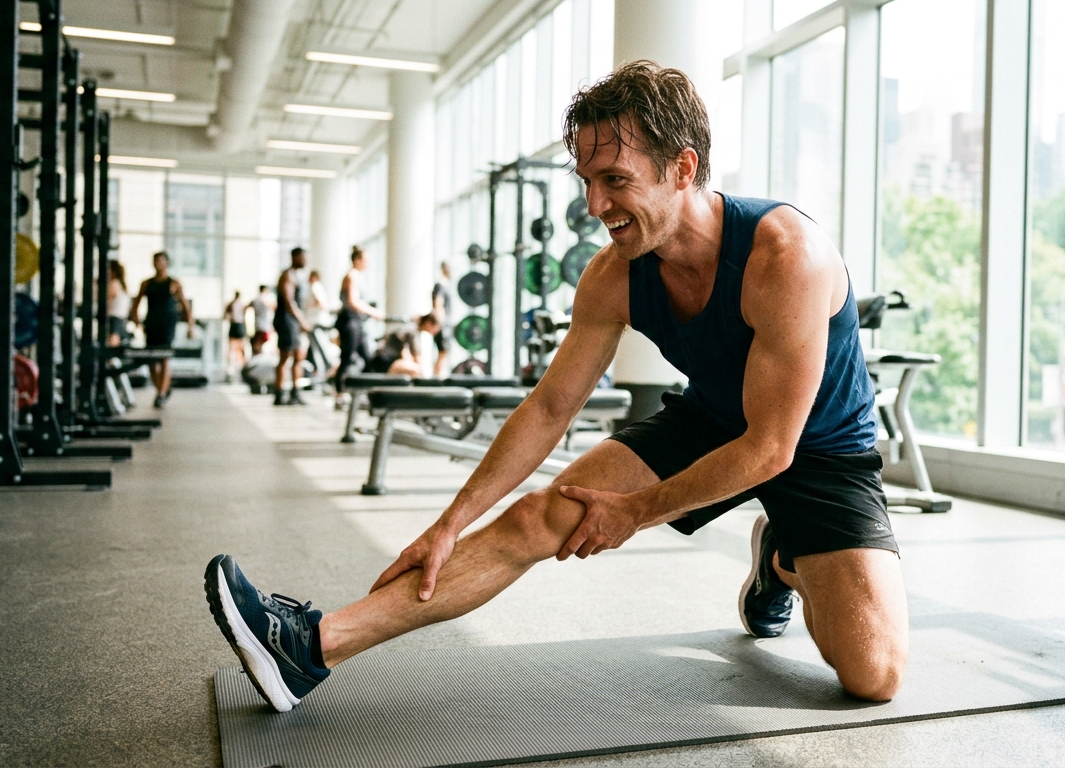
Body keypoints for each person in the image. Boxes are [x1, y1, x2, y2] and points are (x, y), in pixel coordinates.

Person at [204, 61, 906, 714]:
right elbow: (548, 406)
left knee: (872, 675)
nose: (595, 204)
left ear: (681, 167)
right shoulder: (613, 275)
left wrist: (636, 512)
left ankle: (782, 559)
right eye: (587, 183)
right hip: (713, 419)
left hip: (817, 449)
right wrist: (450, 524)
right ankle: (308, 646)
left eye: (615, 181)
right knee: (543, 516)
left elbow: (773, 447)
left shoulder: (785, 257)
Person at [130, 251, 194, 408]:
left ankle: (161, 393)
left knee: (164, 357)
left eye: (161, 261)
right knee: (151, 359)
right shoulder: (146, 283)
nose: (159, 264)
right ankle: (161, 389)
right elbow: (136, 302)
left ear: (166, 263)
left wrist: (190, 325)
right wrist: (135, 319)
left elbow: (185, 305)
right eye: (156, 261)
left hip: (167, 324)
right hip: (151, 323)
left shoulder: (174, 283)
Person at [333, 246, 384, 403]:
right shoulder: (351, 276)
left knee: (367, 358)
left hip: (357, 322)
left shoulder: (357, 276)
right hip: (350, 321)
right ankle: (339, 394)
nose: (368, 264)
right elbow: (352, 301)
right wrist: (372, 312)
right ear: (357, 260)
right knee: (347, 358)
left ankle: (367, 393)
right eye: (365, 260)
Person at [273, 247, 313, 405]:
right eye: (303, 257)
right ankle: (279, 393)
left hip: (294, 322)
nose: (305, 260)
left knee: (298, 356)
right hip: (287, 321)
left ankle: (295, 393)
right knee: (285, 357)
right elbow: (289, 302)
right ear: (295, 257)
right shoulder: (287, 275)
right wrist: (302, 320)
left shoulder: (299, 276)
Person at [368, 314, 439, 377]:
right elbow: (416, 357)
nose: (437, 331)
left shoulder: (411, 328)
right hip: (385, 361)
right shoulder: (412, 331)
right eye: (435, 327)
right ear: (428, 323)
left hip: (383, 360)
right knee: (416, 370)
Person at [430, 261, 452, 377]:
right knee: (443, 352)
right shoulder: (440, 286)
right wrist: (440, 323)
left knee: (443, 353)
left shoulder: (444, 285)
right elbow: (438, 304)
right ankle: (437, 376)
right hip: (442, 324)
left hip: (443, 324)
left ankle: (437, 375)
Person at [105, 260, 131, 348]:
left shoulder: (113, 284)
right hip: (121, 319)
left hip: (114, 319)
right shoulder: (121, 285)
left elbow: (103, 300)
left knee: (111, 347)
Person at [224, 291, 247, 382]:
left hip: (234, 326)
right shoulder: (241, 305)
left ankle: (233, 368)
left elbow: (226, 316)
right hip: (239, 326)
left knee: (233, 349)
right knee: (240, 349)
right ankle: (238, 367)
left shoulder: (231, 304)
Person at [250, 286, 275, 356]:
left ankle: (257, 354)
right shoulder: (266, 300)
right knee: (261, 341)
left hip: (257, 324)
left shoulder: (255, 299)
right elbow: (274, 307)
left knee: (258, 341)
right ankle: (258, 354)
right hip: (265, 324)